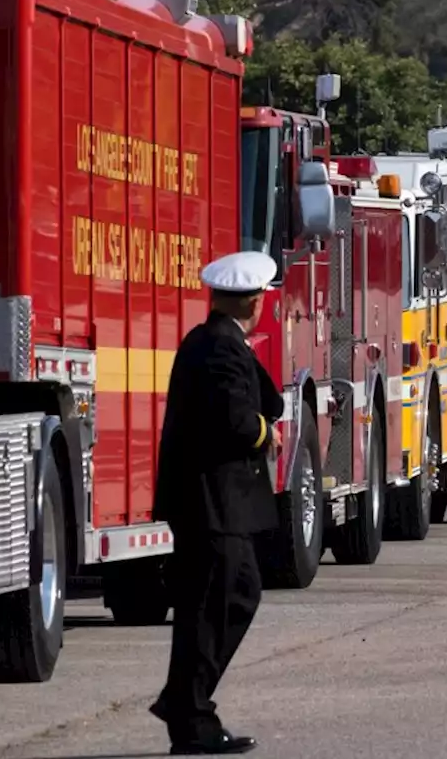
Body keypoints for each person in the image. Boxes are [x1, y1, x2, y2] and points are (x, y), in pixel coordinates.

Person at [150, 250, 285, 755]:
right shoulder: (219, 347)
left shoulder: (219, 341)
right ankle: (190, 712)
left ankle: (185, 702)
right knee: (218, 603)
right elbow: (233, 419)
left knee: (228, 597)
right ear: (254, 302)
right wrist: (264, 432)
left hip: (213, 503)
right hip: (212, 502)